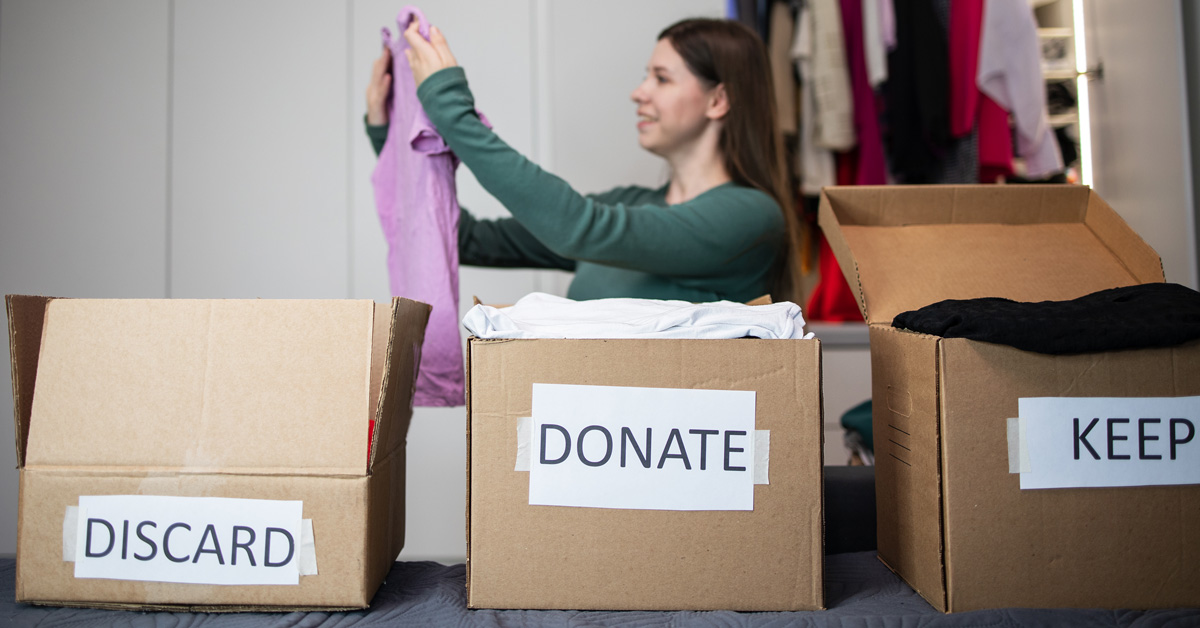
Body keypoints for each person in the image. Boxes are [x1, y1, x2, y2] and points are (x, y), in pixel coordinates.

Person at [365, 17, 802, 303]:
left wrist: (451, 109)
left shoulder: (751, 216)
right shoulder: (629, 203)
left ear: (718, 100)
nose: (639, 91)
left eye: (661, 78)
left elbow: (578, 228)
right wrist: (389, 134)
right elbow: (466, 239)